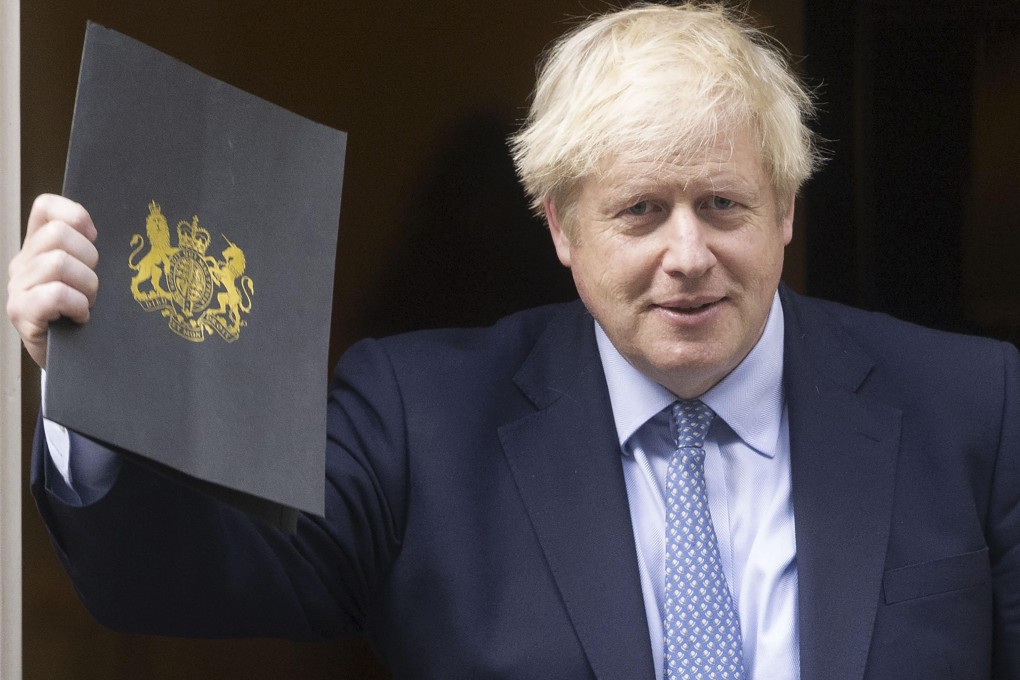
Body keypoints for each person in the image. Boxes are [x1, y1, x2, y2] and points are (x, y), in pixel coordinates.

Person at [8, 3, 1019, 679]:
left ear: (787, 209)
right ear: (560, 226)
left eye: (723, 204)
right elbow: (176, 576)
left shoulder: (973, 408)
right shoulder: (421, 416)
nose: (688, 254)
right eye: (639, 211)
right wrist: (97, 379)